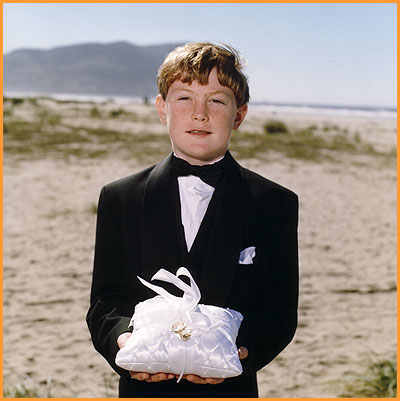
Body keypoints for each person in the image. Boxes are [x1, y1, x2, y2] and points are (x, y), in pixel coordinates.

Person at [86, 42, 299, 398]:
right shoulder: (119, 197)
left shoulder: (274, 203)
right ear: (162, 109)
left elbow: (279, 312)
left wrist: (242, 354)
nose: (200, 113)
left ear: (239, 115)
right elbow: (105, 301)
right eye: (184, 98)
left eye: (217, 100)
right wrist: (122, 341)